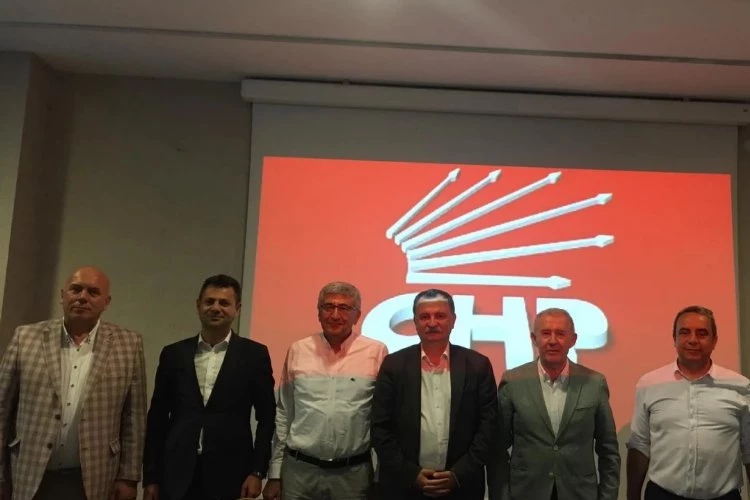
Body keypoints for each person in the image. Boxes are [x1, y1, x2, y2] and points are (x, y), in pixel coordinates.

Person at [0, 266, 147, 500]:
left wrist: (129, 477)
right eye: (75, 289)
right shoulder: (25, 337)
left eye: (93, 292)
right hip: (29, 472)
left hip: (95, 477)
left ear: (106, 302)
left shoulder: (129, 344)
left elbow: (134, 417)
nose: (82, 297)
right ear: (63, 295)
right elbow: (2, 407)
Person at [143, 274, 276, 500]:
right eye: (209, 301)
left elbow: (267, 418)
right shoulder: (174, 354)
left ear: (237, 308)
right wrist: (151, 477)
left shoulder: (254, 355)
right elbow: (157, 417)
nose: (215, 308)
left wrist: (257, 471)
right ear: (198, 305)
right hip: (175, 473)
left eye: (224, 303)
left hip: (231, 472)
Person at [262, 282, 387, 500]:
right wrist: (275, 473)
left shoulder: (376, 352)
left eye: (344, 308)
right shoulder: (298, 350)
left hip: (353, 474)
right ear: (318, 313)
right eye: (328, 307)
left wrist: (379, 477)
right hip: (299, 473)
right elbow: (284, 414)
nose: (335, 315)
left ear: (357, 316)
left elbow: (382, 419)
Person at [371, 288, 499, 500]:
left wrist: (458, 474)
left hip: (462, 486)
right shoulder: (393, 364)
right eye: (424, 317)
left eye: (440, 316)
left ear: (453, 320)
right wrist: (411, 474)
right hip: (403, 486)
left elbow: (488, 426)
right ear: (415, 322)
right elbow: (380, 427)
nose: (432, 323)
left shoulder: (477, 365)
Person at [488, 307, 620, 500]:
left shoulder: (594, 383)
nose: (552, 341)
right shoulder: (513, 381)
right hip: (526, 493)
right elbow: (497, 450)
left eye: (560, 334)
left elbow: (608, 450)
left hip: (580, 494)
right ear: (534, 339)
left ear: (573, 340)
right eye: (545, 333)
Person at [626, 305, 750, 500]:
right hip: (663, 495)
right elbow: (640, 444)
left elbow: (749, 448)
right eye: (684, 332)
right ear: (674, 339)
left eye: (702, 333)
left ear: (714, 341)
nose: (693, 340)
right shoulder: (649, 384)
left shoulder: (741, 387)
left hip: (723, 496)